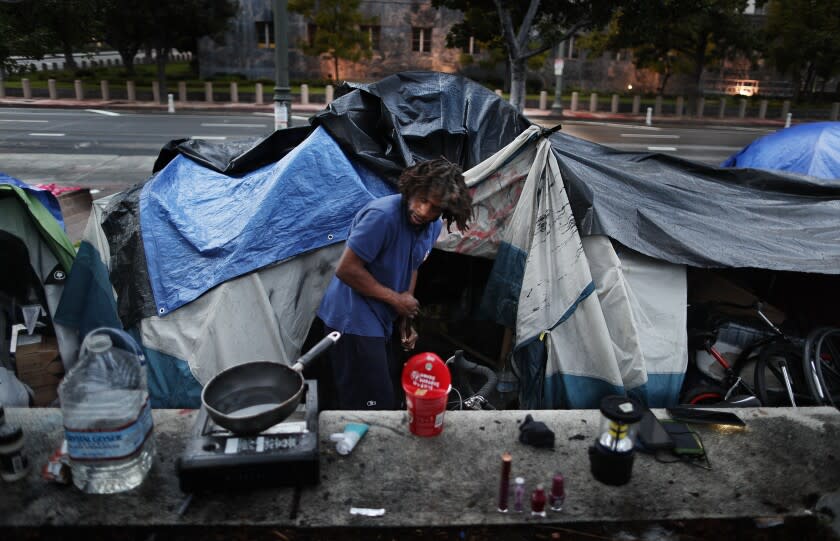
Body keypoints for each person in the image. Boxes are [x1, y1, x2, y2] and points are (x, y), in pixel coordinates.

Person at [317, 158, 473, 410]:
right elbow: (347, 270)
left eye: (434, 208)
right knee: (368, 404)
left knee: (383, 397)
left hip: (382, 320)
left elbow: (412, 266)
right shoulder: (382, 216)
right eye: (422, 199)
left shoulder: (431, 226)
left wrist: (405, 319)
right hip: (352, 320)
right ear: (412, 188)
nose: (424, 211)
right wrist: (396, 300)